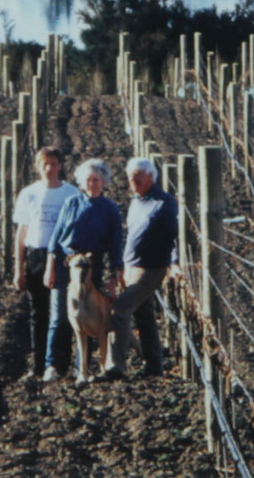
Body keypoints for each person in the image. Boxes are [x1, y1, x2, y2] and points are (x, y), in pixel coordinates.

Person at [42, 158, 123, 382]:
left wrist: (116, 275)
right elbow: (56, 237)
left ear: (103, 182)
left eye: (96, 180)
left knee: (89, 316)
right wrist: (51, 267)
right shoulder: (71, 203)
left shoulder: (110, 209)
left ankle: (83, 369)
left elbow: (116, 244)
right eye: (88, 180)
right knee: (59, 316)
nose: (92, 184)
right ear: (82, 182)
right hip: (66, 262)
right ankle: (53, 365)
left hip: (91, 266)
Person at [103, 157, 178, 379]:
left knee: (120, 309)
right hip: (132, 266)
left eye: (137, 177)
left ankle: (115, 366)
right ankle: (154, 368)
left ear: (150, 176)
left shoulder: (164, 203)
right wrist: (124, 267)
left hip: (151, 268)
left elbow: (174, 235)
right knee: (145, 317)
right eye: (129, 177)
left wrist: (174, 262)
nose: (132, 181)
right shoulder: (137, 201)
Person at [12, 147, 78, 378]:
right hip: (36, 256)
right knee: (38, 313)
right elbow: (21, 232)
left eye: (54, 163)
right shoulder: (29, 194)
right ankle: (38, 364)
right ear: (38, 167)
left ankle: (60, 364)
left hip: (63, 258)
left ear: (60, 166)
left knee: (62, 313)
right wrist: (18, 268)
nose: (49, 168)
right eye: (45, 164)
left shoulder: (72, 194)